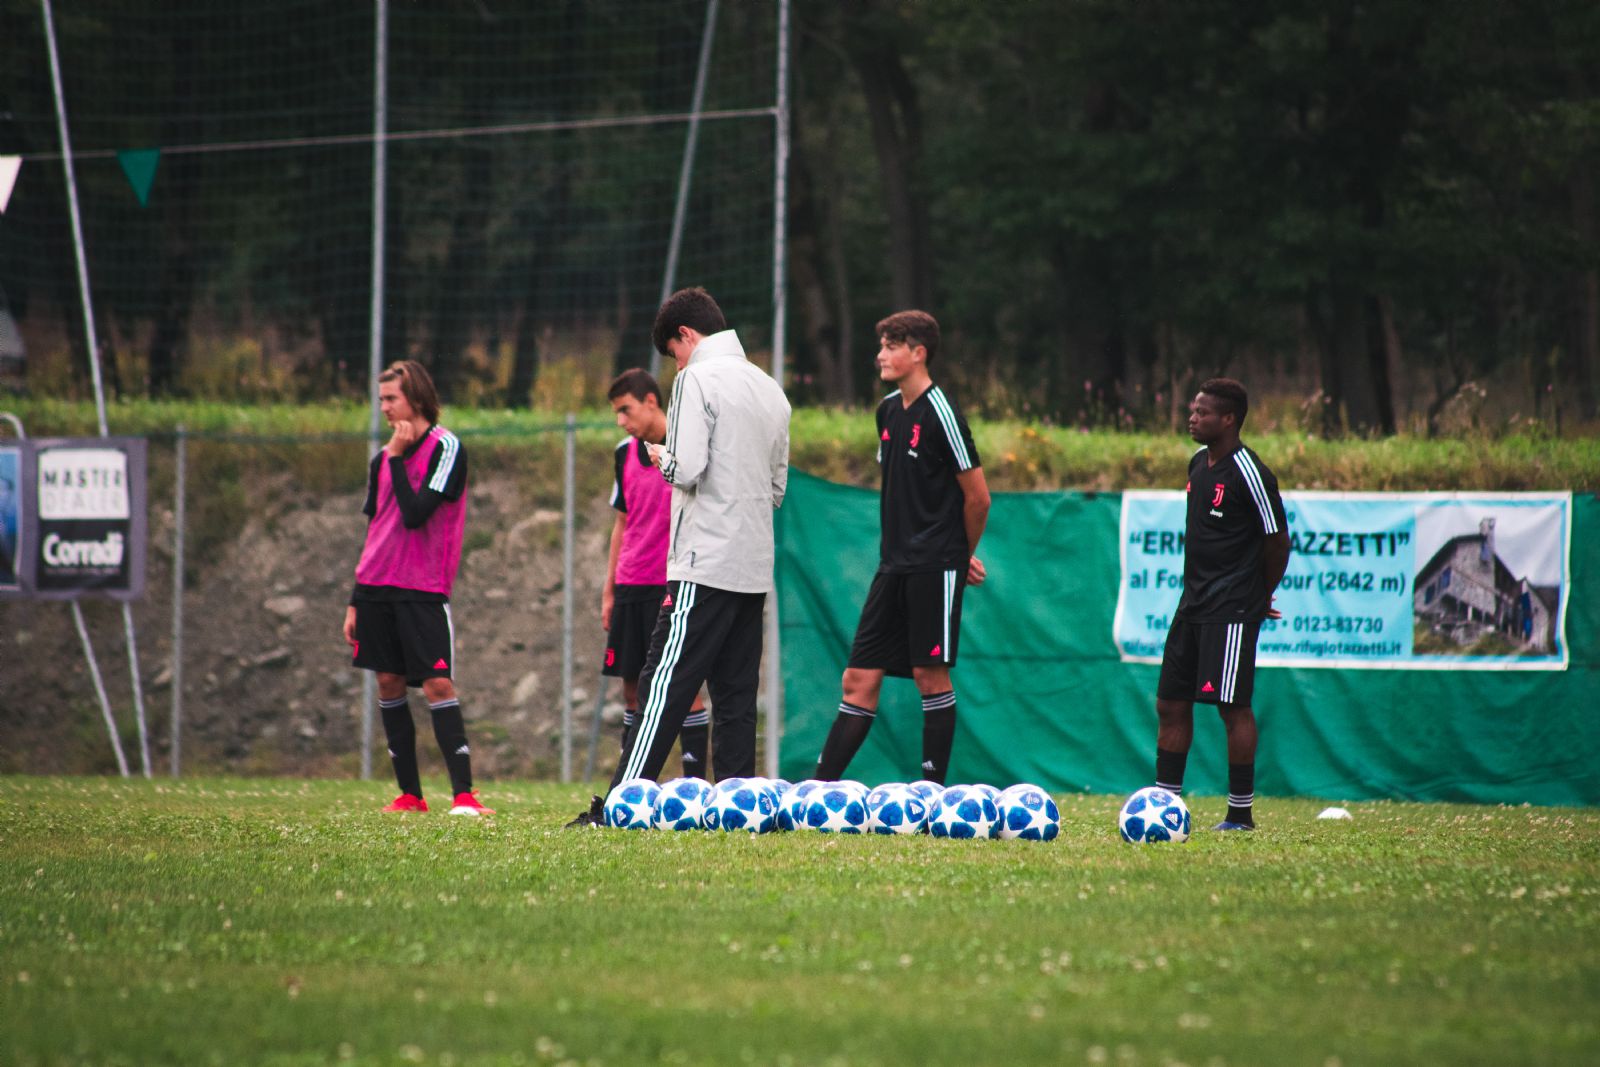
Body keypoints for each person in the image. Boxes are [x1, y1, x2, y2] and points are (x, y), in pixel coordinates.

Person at [569, 287, 790, 825]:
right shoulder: (771, 389)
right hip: (752, 565)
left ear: (686, 335)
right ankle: (739, 808)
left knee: (661, 682)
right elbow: (777, 488)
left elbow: (686, 468)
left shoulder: (696, 379)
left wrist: (660, 456)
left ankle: (619, 804)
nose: (677, 366)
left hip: (703, 561)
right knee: (736, 695)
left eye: (674, 354)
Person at [812, 310, 990, 784]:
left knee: (929, 677)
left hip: (934, 565)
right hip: (891, 566)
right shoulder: (887, 411)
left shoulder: (943, 414)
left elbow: (978, 498)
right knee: (858, 679)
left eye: (891, 347)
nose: (881, 356)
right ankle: (817, 790)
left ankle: (931, 792)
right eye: (881, 346)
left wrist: (958, 554)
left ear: (918, 353)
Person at [342, 359, 492, 815]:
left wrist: (396, 458)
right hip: (374, 587)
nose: (384, 407)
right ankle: (410, 795)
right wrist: (354, 600)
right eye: (381, 399)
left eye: (392, 398)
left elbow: (415, 513)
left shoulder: (446, 448)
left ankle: (464, 795)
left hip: (422, 588)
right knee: (388, 682)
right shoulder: (381, 459)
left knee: (437, 683)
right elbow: (376, 529)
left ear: (417, 398)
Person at [1152, 377, 1290, 831]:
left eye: (1203, 412)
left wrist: (1259, 594)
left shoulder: (1250, 472)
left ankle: (1240, 814)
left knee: (1231, 708)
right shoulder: (1197, 463)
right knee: (1171, 703)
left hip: (1230, 607)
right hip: (1191, 604)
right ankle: (1165, 807)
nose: (1192, 418)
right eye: (1192, 410)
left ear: (1229, 419)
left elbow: (1277, 541)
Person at [597, 371, 709, 775]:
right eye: (616, 413)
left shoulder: (685, 446)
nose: (621, 421)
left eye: (626, 410)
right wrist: (609, 590)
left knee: (682, 687)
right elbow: (622, 523)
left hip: (671, 583)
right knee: (632, 690)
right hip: (631, 585)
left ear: (650, 401)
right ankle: (631, 786)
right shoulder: (623, 453)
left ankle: (695, 785)